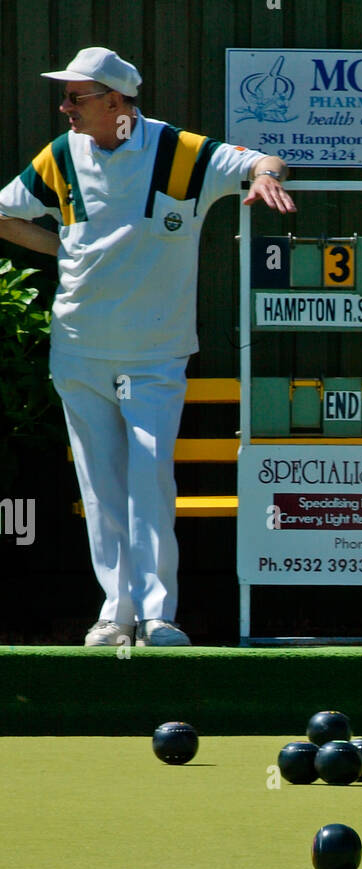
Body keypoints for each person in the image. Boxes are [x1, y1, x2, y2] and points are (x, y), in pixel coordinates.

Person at [0, 46, 295, 646]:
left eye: (75, 97)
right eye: (65, 96)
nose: (64, 108)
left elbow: (266, 160)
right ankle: (115, 613)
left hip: (156, 356)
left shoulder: (183, 153)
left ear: (116, 102)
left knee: (150, 476)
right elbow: (4, 215)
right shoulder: (60, 156)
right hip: (79, 348)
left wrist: (265, 175)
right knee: (99, 486)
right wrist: (67, 251)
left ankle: (159, 616)